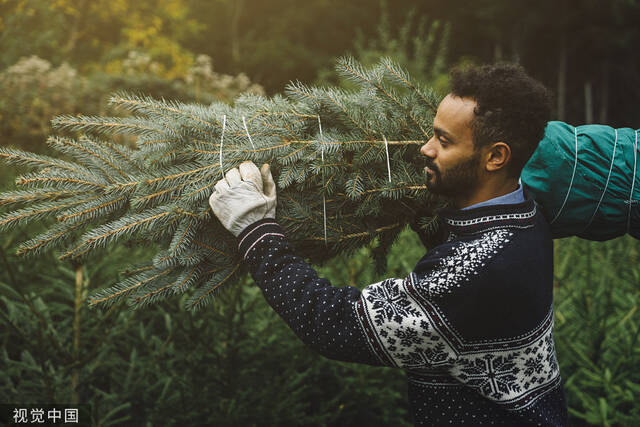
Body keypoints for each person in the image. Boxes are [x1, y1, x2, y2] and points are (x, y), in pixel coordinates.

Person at [208, 63, 568, 426]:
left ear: (495, 157)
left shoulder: (478, 273)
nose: (425, 149)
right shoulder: (527, 216)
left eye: (444, 142)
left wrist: (254, 227)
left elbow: (333, 324)